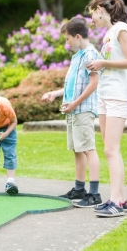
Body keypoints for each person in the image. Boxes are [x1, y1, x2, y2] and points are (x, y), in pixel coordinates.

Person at [42, 17, 102, 208]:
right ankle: (79, 189)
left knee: (88, 149)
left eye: (67, 39)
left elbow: (94, 84)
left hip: (83, 109)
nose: (66, 43)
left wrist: (74, 104)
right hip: (73, 109)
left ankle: (94, 194)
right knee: (77, 149)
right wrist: (55, 94)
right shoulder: (77, 56)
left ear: (77, 36)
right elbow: (72, 85)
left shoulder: (90, 55)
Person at [86, 0, 127, 217]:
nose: (91, 20)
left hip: (118, 94)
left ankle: (115, 202)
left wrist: (103, 62)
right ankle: (120, 200)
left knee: (111, 149)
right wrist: (98, 67)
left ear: (99, 9)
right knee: (109, 149)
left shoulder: (122, 28)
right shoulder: (108, 34)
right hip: (105, 94)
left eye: (91, 14)